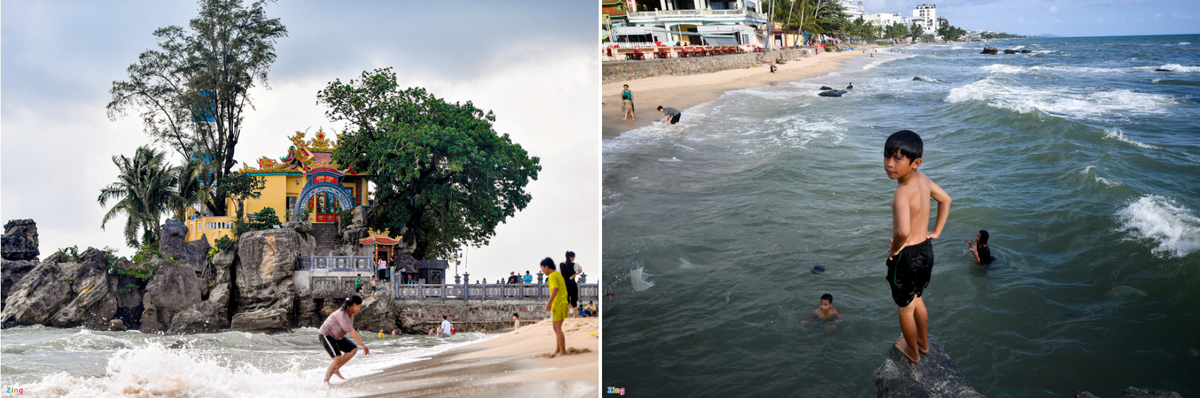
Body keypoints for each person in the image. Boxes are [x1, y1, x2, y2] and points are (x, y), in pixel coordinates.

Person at [883, 130, 951, 363]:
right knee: (918, 299)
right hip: (925, 250)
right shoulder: (923, 179)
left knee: (905, 308)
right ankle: (923, 343)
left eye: (897, 158)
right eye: (887, 156)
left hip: (907, 256)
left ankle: (912, 351)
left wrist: (894, 251)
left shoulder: (902, 193)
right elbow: (946, 199)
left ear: (915, 163)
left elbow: (901, 231)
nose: (889, 164)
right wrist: (936, 232)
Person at [319, 295, 369, 384]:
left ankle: (336, 368)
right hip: (326, 335)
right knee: (337, 358)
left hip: (337, 336)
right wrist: (363, 345)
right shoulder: (342, 314)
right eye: (359, 306)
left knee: (353, 349)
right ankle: (325, 381)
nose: (359, 309)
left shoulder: (351, 314)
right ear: (354, 305)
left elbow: (349, 328)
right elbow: (351, 330)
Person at [542, 257, 568, 358]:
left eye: (542, 268)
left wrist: (549, 302)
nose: (542, 271)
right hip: (562, 303)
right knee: (557, 328)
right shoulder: (558, 275)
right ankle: (558, 349)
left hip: (558, 303)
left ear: (546, 266)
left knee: (557, 328)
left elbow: (555, 289)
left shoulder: (552, 276)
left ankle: (563, 351)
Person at [560, 251, 582, 318]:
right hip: (570, 284)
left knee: (571, 300)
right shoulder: (574, 265)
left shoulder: (561, 265)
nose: (574, 259)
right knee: (572, 300)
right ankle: (573, 316)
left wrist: (574, 275)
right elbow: (580, 270)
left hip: (566, 284)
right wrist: (574, 275)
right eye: (573, 257)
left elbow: (580, 270)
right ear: (570, 257)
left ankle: (572, 316)